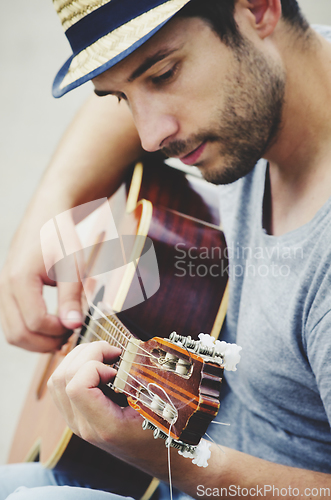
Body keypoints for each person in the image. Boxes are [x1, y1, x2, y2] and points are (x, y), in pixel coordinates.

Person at [0, 0, 331, 498]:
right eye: (121, 97)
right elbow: (129, 78)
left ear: (259, 9)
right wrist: (48, 216)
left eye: (164, 75)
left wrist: (182, 464)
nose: (150, 136)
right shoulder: (287, 66)